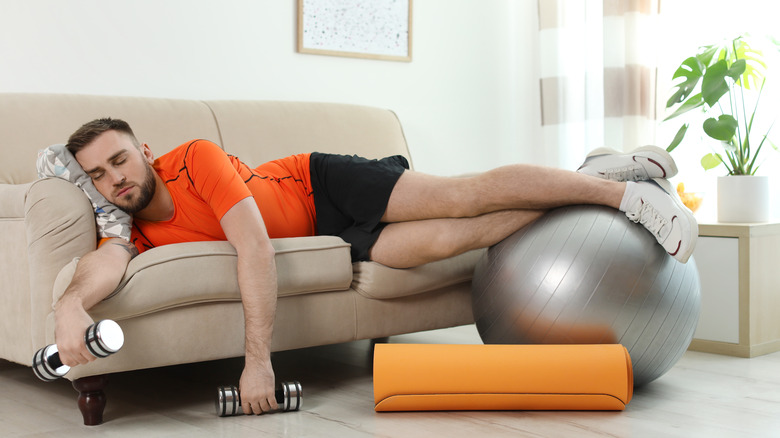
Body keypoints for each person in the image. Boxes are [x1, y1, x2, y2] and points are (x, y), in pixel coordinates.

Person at [54, 118, 697, 415]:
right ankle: (587, 176)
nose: (114, 178)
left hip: (323, 185)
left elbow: (253, 246)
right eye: (98, 175)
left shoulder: (193, 158)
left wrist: (258, 362)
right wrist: (69, 306)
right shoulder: (131, 226)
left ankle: (624, 193)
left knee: (462, 194)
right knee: (452, 238)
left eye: (119, 161)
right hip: (337, 235)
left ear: (143, 151)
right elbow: (103, 266)